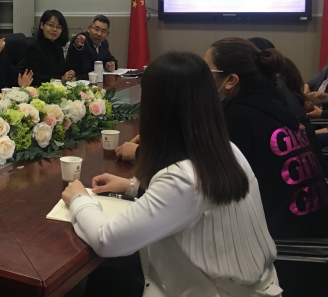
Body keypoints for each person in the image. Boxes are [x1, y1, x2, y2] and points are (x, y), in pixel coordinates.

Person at [62, 52, 280, 297]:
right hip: (252, 286)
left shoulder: (183, 179)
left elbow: (107, 241)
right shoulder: (227, 149)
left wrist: (79, 199)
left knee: (107, 273)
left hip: (214, 291)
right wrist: (132, 186)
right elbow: (193, 205)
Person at [206, 38, 328, 297]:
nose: (203, 78)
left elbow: (205, 179)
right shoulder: (276, 101)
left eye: (208, 71)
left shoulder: (239, 117)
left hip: (289, 255)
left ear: (231, 80)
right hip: (320, 241)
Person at [25, 9, 75, 86]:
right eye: (51, 25)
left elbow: (62, 70)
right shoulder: (34, 48)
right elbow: (34, 78)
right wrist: (60, 79)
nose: (54, 29)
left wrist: (69, 74)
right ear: (42, 25)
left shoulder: (58, 48)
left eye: (59, 27)